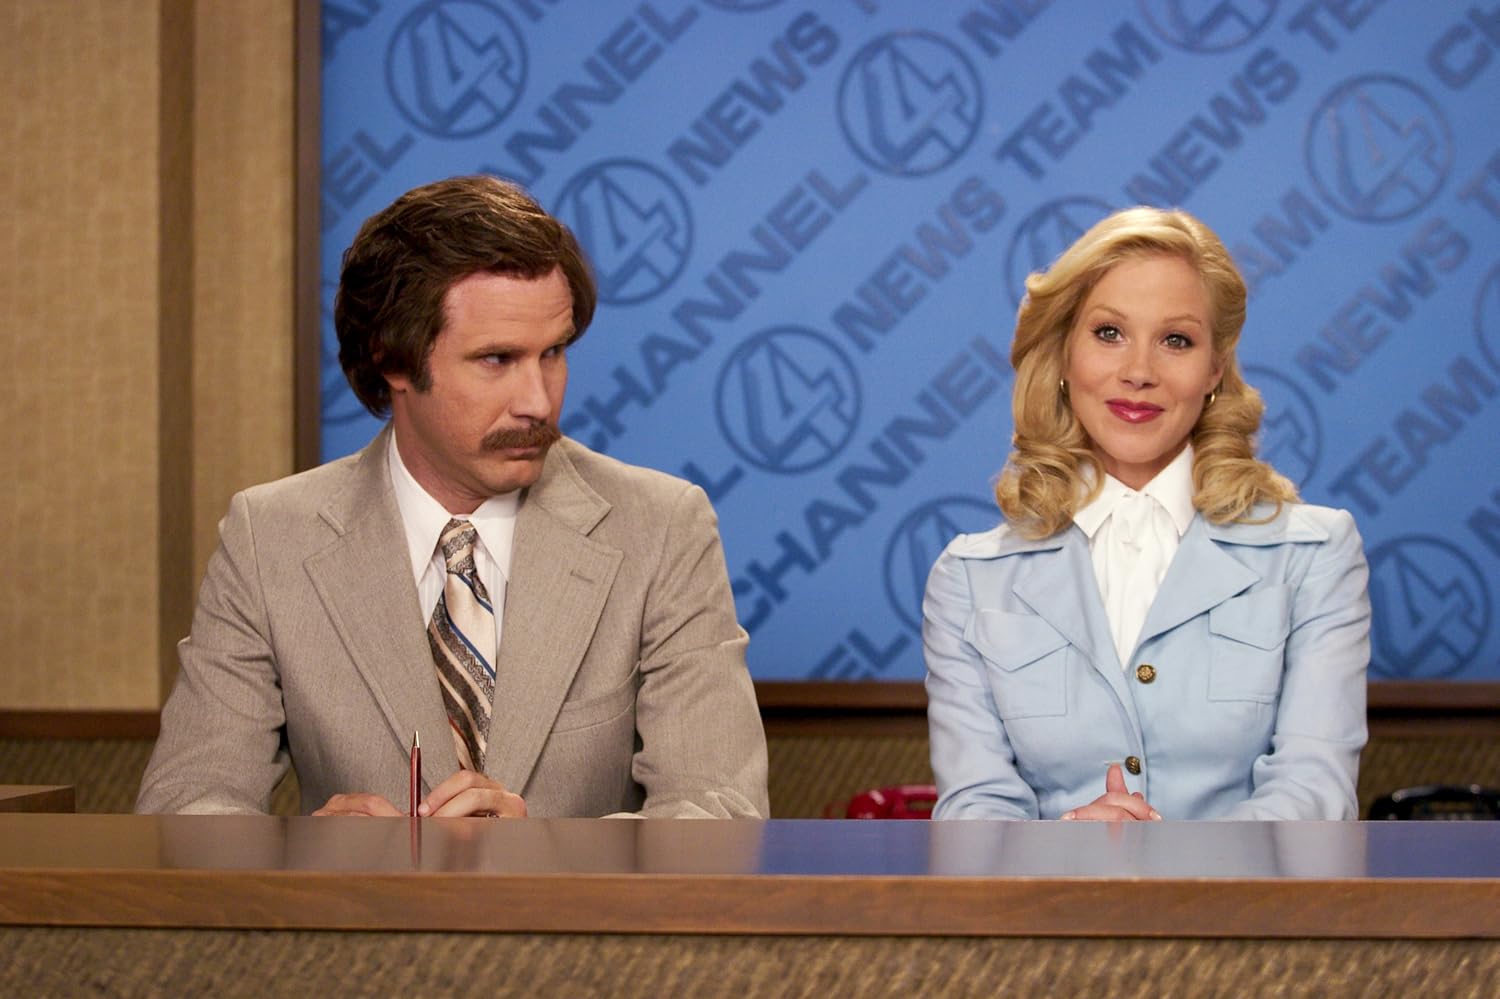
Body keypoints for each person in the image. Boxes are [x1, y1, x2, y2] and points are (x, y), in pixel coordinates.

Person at [137, 176, 768, 819]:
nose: (538, 401)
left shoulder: (661, 528)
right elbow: (184, 803)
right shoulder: (268, 537)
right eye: (497, 359)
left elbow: (720, 808)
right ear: (393, 359)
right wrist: (305, 853)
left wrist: (543, 853)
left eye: (553, 353)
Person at [923, 206, 1370, 821]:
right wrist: (1066, 852)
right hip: (1048, 891)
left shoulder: (1313, 554)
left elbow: (1313, 795)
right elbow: (975, 812)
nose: (1138, 373)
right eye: (1109, 333)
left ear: (1214, 368)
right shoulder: (971, 578)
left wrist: (1171, 865)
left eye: (1175, 340)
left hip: (1247, 890)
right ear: (1063, 354)